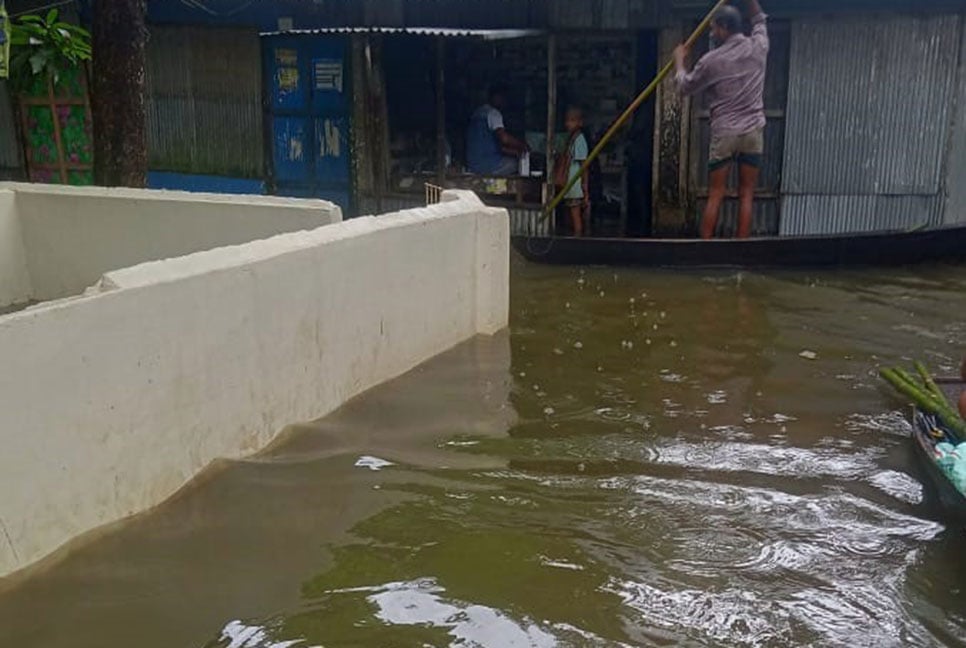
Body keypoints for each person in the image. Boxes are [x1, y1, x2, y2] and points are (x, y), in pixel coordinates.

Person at [674, 0, 768, 240]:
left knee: (716, 193)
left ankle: (705, 249)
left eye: (714, 28)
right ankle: (741, 248)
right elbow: (759, 19)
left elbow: (684, 87)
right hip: (753, 132)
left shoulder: (711, 60)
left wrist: (679, 61)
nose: (712, 33)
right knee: (746, 193)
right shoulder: (759, 46)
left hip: (725, 132)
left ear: (725, 28)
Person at [466, 84, 528, 176]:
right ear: (495, 97)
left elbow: (495, 147)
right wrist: (522, 145)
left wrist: (515, 152)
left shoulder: (477, 113)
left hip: (472, 165)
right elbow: (504, 139)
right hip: (488, 166)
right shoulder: (493, 113)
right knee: (514, 164)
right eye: (503, 98)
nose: (504, 101)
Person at [558, 106, 590, 237]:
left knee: (575, 214)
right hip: (570, 185)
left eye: (572, 120)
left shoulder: (579, 139)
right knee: (570, 214)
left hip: (576, 185)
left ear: (580, 122)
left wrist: (585, 187)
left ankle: (578, 239)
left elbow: (584, 166)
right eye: (567, 120)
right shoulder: (571, 139)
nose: (568, 124)